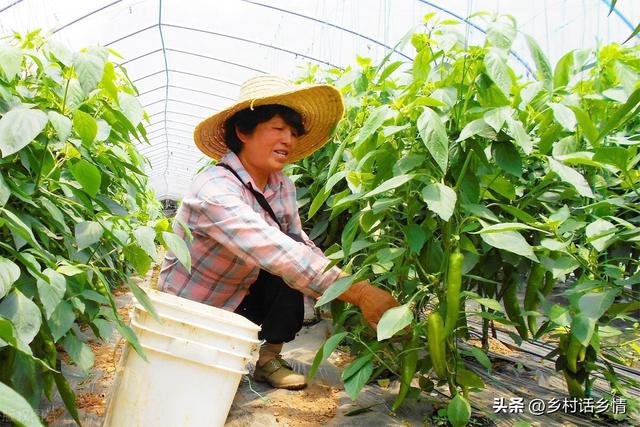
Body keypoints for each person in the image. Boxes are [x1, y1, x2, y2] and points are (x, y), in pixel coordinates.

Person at [158, 75, 399, 390]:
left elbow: (298, 243)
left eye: (294, 132)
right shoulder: (214, 189)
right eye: (277, 128)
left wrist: (344, 291)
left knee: (296, 264)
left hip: (241, 288)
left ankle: (268, 359)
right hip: (196, 310)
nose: (289, 139)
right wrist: (362, 294)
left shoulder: (280, 185)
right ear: (243, 131)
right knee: (287, 263)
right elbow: (275, 251)